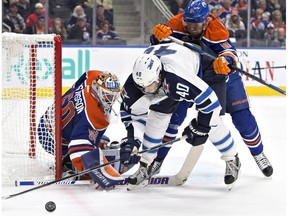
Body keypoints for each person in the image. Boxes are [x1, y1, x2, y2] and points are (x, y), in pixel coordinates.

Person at [151, 0, 273, 179]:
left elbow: (229, 53)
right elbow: (159, 47)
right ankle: (157, 160)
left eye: (196, 24)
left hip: (220, 76)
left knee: (241, 117)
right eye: (188, 23)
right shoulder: (176, 24)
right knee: (174, 117)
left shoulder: (216, 29)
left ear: (206, 21)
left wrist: (225, 62)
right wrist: (156, 36)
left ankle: (258, 154)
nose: (191, 28)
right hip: (191, 76)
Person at [119, 42, 240, 190]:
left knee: (213, 122)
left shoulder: (177, 78)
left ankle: (232, 158)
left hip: (203, 68)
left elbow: (211, 104)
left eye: (148, 85)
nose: (145, 91)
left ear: (159, 75)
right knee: (157, 117)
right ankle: (146, 164)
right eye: (141, 87)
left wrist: (201, 126)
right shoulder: (137, 83)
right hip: (166, 80)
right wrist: (133, 141)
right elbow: (134, 115)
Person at [37, 70, 124, 189]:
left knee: (99, 139)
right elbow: (77, 149)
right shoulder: (91, 115)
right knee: (84, 150)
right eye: (107, 95)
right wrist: (102, 174)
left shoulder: (94, 77)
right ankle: (66, 162)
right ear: (97, 90)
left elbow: (87, 74)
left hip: (49, 119)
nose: (111, 100)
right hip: (51, 139)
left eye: (113, 95)